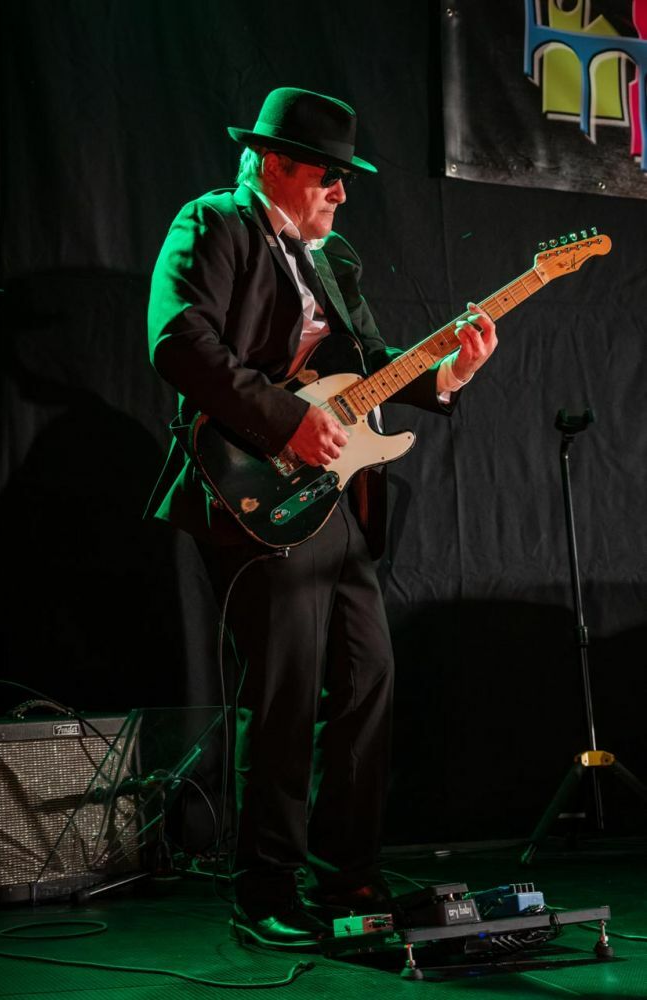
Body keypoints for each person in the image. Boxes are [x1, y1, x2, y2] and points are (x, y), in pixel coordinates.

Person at [146, 87, 497, 949]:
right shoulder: (213, 223)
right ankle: (263, 888)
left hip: (330, 499)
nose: (341, 192)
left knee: (367, 677)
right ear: (273, 164)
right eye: (326, 175)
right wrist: (284, 422)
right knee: (283, 692)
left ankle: (348, 872)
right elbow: (179, 340)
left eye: (345, 178)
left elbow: (369, 364)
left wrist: (448, 371)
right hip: (252, 489)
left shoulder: (332, 259)